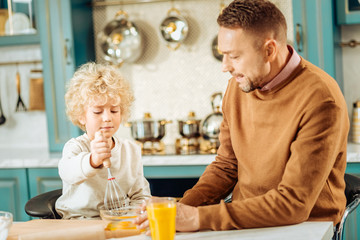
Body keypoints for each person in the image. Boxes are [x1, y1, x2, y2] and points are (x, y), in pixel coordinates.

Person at [135, 0, 349, 232]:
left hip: (307, 227)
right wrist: (177, 211)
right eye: (223, 55)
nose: (225, 66)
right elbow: (226, 166)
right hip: (246, 222)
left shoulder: (320, 98)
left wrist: (197, 218)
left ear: (269, 50)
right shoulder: (237, 88)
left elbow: (294, 204)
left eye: (234, 56)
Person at [56, 62, 151, 219]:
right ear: (81, 115)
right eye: (97, 111)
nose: (107, 118)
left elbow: (140, 195)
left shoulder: (131, 150)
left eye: (114, 110)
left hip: (118, 220)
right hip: (79, 222)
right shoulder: (76, 147)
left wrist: (136, 213)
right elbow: (68, 172)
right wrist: (92, 160)